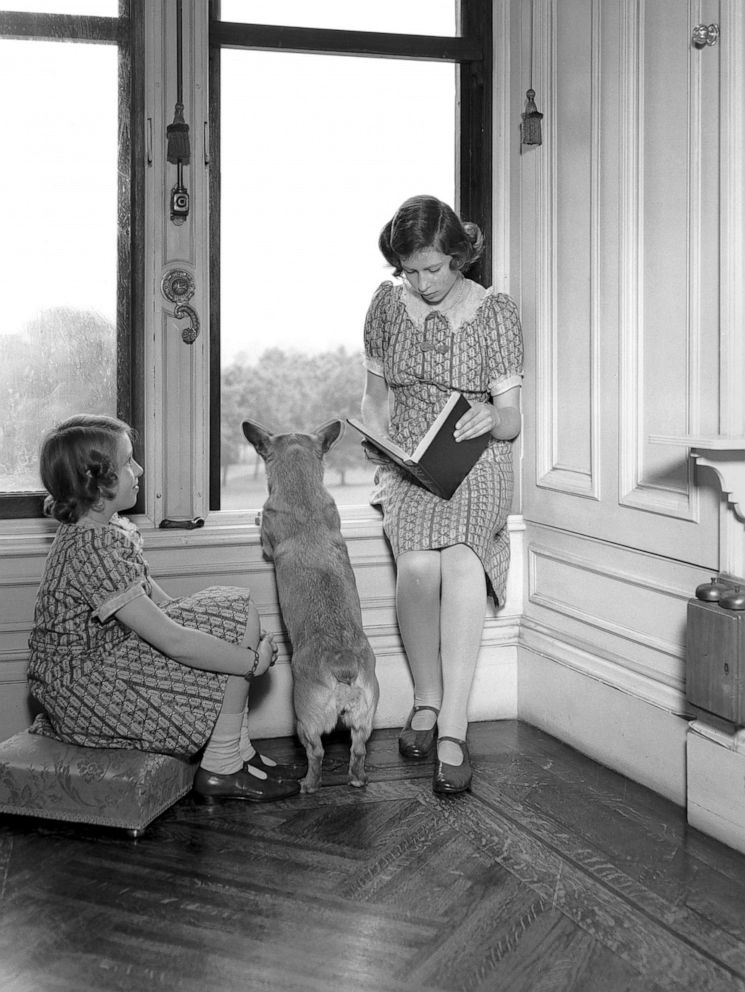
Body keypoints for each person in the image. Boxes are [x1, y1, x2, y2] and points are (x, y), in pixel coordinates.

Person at [27, 414, 303, 803]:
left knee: (234, 606)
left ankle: (237, 754)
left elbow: (167, 607)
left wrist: (226, 633)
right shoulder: (90, 547)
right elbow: (172, 639)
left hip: (107, 661)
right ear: (96, 482)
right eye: (127, 463)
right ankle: (222, 767)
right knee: (234, 620)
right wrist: (249, 662)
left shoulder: (107, 530)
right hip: (83, 688)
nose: (138, 469)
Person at [360, 195, 523, 795]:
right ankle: (425, 699)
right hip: (409, 463)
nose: (424, 282)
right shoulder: (384, 306)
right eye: (411, 270)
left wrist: (488, 416)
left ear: (458, 255)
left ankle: (452, 724)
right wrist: (376, 436)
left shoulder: (495, 312)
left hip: (474, 459)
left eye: (435, 268)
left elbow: (511, 419)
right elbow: (375, 397)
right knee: (417, 569)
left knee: (459, 561)